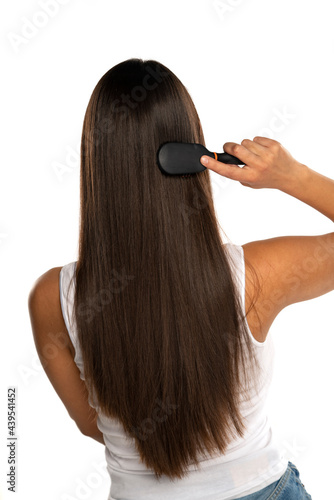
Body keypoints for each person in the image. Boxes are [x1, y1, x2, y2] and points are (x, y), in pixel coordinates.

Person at [28, 58, 334, 499]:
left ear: (96, 162)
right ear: (192, 155)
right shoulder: (256, 276)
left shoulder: (52, 298)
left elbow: (89, 423)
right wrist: (292, 176)